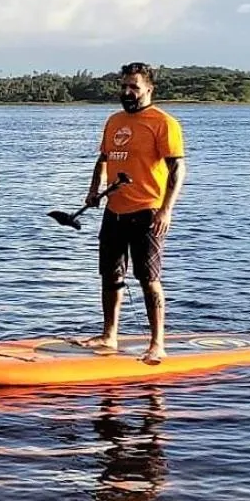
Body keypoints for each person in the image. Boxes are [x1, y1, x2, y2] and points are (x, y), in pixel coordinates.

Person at [83, 62, 186, 363]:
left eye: (134, 87)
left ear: (149, 89)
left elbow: (178, 168)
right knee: (110, 276)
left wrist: (166, 209)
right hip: (114, 211)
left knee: (147, 278)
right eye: (124, 86)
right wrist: (92, 191)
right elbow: (102, 160)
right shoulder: (114, 121)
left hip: (147, 212)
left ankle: (157, 343)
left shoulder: (163, 123)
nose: (127, 92)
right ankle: (109, 335)